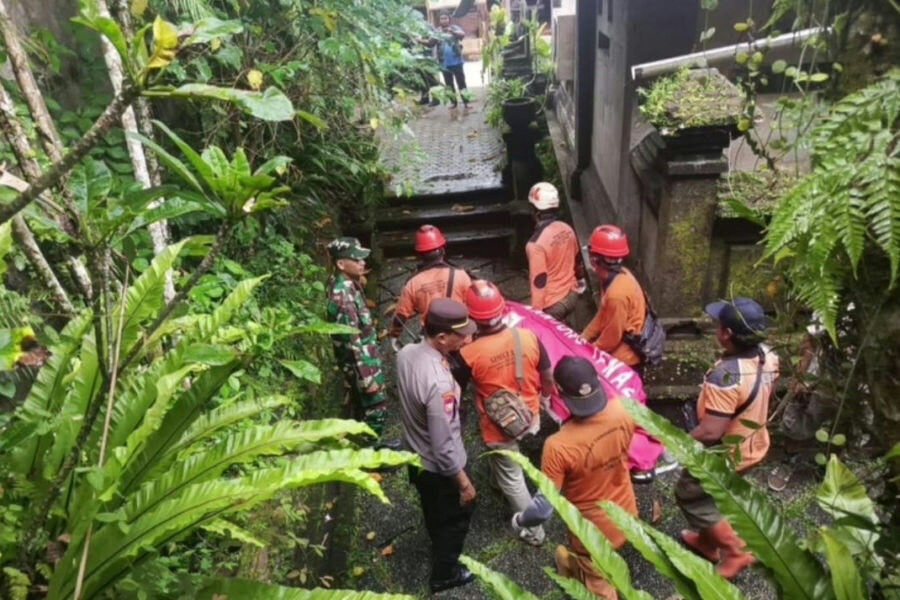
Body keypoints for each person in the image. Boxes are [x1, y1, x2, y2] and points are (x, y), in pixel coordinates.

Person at [511, 356, 637, 599]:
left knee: (599, 585)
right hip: (626, 512)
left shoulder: (558, 446)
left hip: (592, 532)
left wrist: (520, 520)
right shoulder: (624, 409)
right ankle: (573, 567)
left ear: (558, 390)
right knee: (606, 557)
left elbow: (543, 508)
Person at [676, 297, 779, 579]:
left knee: (692, 495)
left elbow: (712, 431)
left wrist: (676, 444)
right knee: (717, 497)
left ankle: (736, 551)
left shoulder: (726, 376)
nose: (716, 328)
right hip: (752, 442)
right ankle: (708, 544)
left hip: (726, 453)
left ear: (727, 334)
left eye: (719, 325)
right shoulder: (768, 356)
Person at [454, 280, 554, 546]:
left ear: (472, 317)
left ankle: (534, 531)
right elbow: (547, 375)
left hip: (498, 426)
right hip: (530, 414)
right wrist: (543, 399)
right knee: (511, 462)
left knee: (513, 478)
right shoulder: (528, 336)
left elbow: (456, 392)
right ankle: (500, 480)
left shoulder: (468, 354)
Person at [397, 299, 478, 594]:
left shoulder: (406, 354)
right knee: (454, 520)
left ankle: (437, 542)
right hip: (438, 467)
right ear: (442, 337)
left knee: (433, 511)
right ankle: (446, 573)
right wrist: (464, 483)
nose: (467, 338)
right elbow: (444, 445)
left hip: (416, 455)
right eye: (461, 334)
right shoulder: (439, 384)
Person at [325, 237, 391, 441]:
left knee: (363, 409)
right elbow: (351, 343)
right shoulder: (343, 296)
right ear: (341, 264)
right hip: (361, 365)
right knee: (376, 409)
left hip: (364, 359)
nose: (363, 263)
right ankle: (369, 454)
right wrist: (367, 378)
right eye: (357, 259)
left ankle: (366, 448)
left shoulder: (347, 285)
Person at [390, 225, 472, 342]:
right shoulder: (460, 275)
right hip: (460, 335)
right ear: (443, 249)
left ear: (420, 254)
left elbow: (400, 316)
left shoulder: (412, 283)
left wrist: (394, 334)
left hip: (433, 338)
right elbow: (472, 304)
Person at [581, 225, 646, 369]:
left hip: (627, 356)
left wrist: (589, 352)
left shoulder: (616, 294)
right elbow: (603, 313)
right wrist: (583, 337)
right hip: (621, 339)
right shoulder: (615, 276)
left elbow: (612, 337)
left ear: (596, 259)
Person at [524, 182, 583, 324]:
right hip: (572, 294)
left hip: (553, 305)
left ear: (534, 211)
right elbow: (577, 263)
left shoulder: (535, 244)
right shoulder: (567, 228)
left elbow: (539, 281)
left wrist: (536, 315)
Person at [432, 11, 469, 111]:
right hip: (444, 63)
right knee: (449, 85)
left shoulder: (454, 28)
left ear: (449, 19)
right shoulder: (437, 32)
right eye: (441, 19)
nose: (443, 20)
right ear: (439, 21)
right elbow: (431, 43)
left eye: (445, 18)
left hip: (457, 62)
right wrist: (418, 40)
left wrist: (451, 31)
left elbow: (462, 35)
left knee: (461, 83)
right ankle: (454, 103)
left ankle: (466, 103)